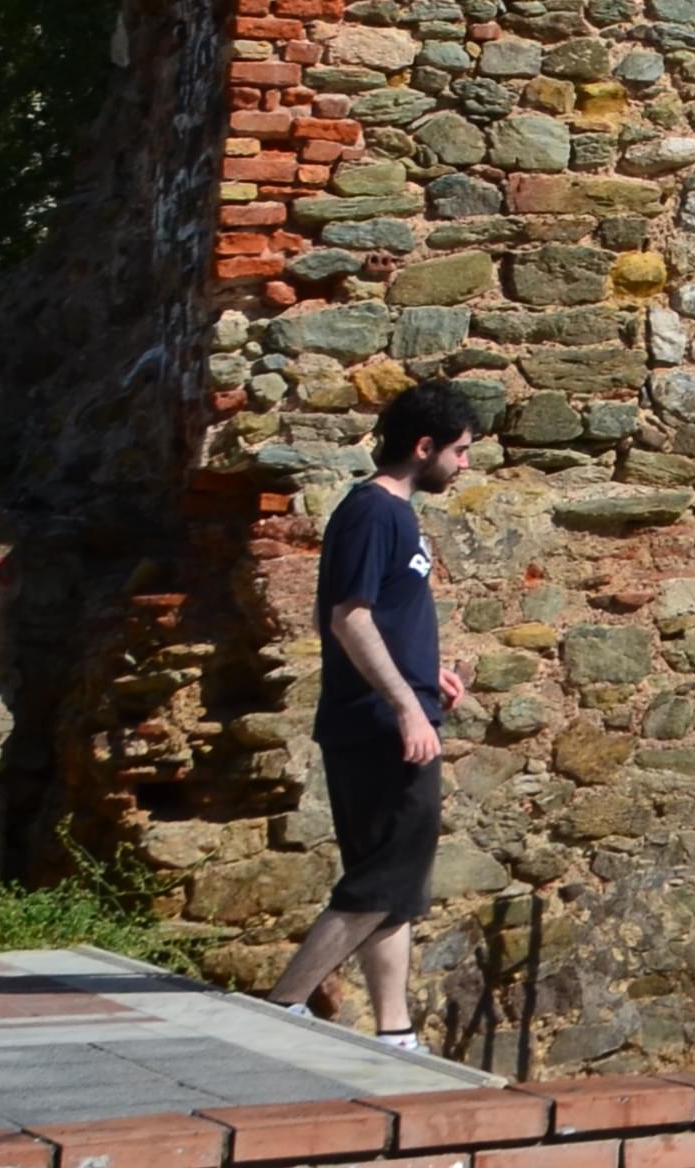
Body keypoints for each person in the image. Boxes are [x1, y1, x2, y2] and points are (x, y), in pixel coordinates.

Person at [270, 383, 478, 1046]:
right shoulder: (372, 513)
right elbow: (348, 618)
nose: (466, 465)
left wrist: (426, 678)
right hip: (380, 726)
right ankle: (281, 1003)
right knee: (381, 877)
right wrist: (404, 708)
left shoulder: (396, 516)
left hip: (396, 713)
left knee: (397, 885)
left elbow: (383, 616)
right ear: (424, 448)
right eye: (461, 451)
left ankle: (395, 1033)